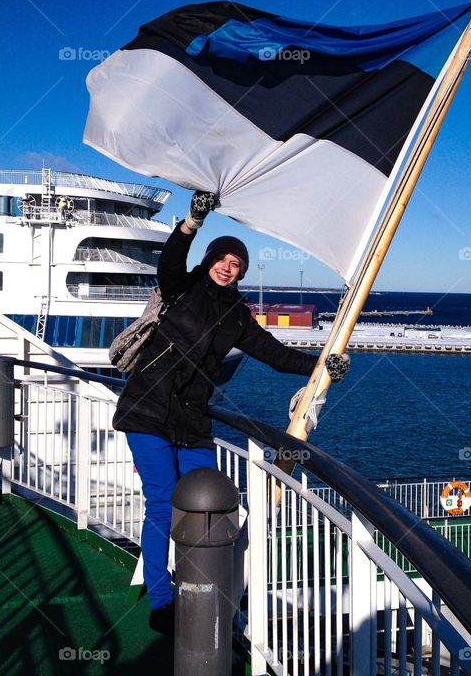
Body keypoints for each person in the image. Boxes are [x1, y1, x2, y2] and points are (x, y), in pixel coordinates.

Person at [113, 191, 348, 636]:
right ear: (210, 261)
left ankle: (201, 590)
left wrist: (322, 367)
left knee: (212, 503)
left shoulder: (238, 316)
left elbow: (274, 354)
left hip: (191, 419)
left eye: (236, 264)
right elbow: (171, 259)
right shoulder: (182, 288)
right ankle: (162, 600)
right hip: (147, 410)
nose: (227, 267)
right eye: (221, 259)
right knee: (162, 502)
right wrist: (192, 222)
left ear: (241, 272)